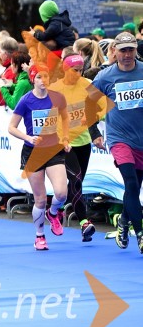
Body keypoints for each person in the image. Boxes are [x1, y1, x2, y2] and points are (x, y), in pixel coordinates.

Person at [89, 32, 143, 252]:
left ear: (135, 50)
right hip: (120, 139)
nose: (127, 55)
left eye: (131, 49)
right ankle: (140, 235)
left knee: (135, 189)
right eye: (123, 50)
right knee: (130, 183)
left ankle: (123, 221)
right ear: (115, 52)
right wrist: (94, 133)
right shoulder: (105, 77)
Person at [8, 65, 71, 250]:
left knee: (61, 193)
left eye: (46, 77)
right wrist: (28, 137)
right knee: (40, 199)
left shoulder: (57, 98)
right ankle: (39, 235)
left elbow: (66, 119)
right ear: (32, 80)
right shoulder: (26, 101)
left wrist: (66, 138)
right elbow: (11, 127)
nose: (43, 81)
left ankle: (53, 213)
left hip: (53, 149)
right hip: (33, 152)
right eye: (38, 78)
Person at [49, 54, 100, 241]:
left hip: (83, 141)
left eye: (80, 70)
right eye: (74, 70)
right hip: (64, 144)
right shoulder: (55, 88)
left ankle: (57, 209)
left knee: (76, 182)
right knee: (76, 180)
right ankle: (84, 222)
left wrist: (96, 131)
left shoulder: (87, 83)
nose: (78, 74)